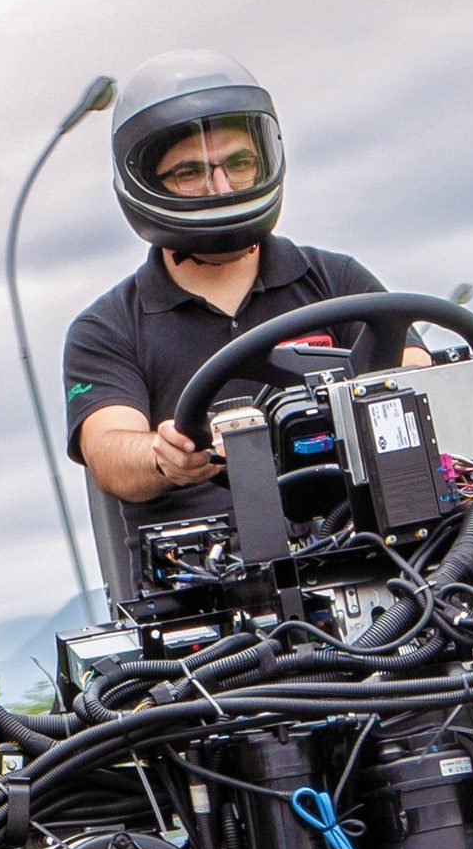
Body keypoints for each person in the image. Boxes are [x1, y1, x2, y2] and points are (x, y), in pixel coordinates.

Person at [62, 49, 399, 519]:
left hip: (371, 532)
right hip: (216, 574)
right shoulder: (108, 328)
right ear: (145, 182)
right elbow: (110, 451)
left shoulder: (336, 280)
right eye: (189, 172)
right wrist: (165, 455)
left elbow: (416, 378)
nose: (221, 187)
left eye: (238, 163)